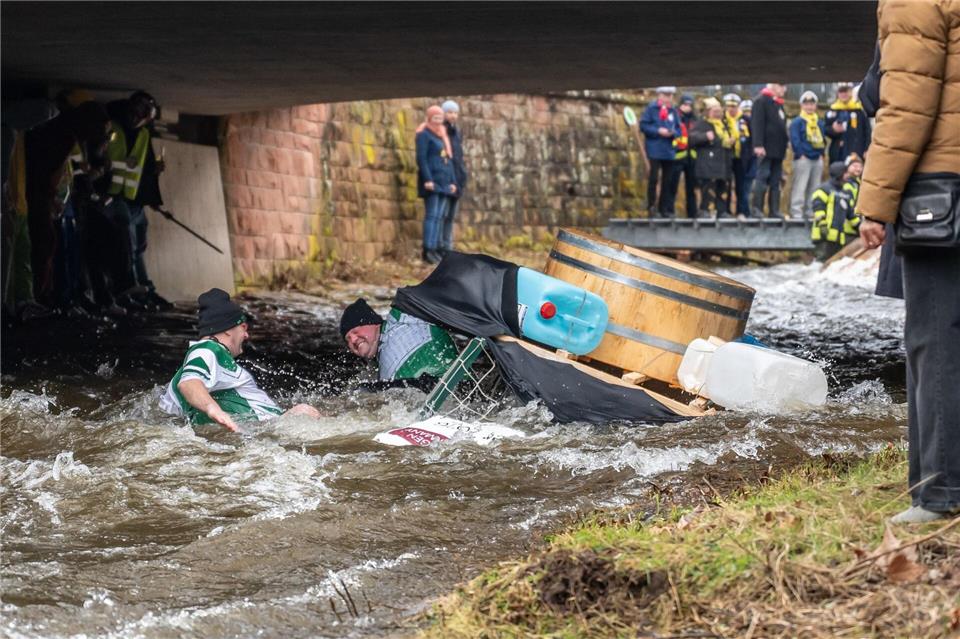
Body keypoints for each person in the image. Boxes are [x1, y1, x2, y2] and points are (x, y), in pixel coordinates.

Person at [857, 0, 959, 524]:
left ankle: (939, 493)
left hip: (940, 191)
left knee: (936, 339)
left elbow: (907, 107)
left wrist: (874, 203)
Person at [160, 288, 320, 430]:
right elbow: (189, 383)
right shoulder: (208, 349)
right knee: (305, 411)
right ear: (228, 330)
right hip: (267, 432)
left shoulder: (210, 356)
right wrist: (214, 410)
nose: (246, 335)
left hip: (257, 431)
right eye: (243, 327)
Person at [105, 91, 169, 309]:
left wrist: (153, 186)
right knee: (129, 244)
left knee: (139, 245)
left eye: (142, 116)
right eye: (135, 113)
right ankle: (132, 289)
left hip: (134, 200)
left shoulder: (143, 134)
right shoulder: (113, 127)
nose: (136, 119)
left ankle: (145, 289)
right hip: (114, 195)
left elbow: (145, 166)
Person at [340, 297, 458, 384]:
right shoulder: (375, 370)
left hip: (453, 384)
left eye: (355, 331)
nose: (353, 340)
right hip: (421, 398)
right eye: (348, 339)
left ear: (373, 323)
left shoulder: (401, 317)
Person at [416, 105, 457, 264]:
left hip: (444, 182)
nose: (438, 121)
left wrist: (452, 181)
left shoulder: (442, 136)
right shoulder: (424, 135)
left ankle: (435, 250)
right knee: (432, 216)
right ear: (429, 118)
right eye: (435, 118)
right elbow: (422, 158)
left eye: (440, 118)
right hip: (432, 183)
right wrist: (428, 179)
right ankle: (428, 249)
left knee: (440, 217)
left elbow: (448, 160)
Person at [639, 86, 682, 217]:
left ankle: (664, 209)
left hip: (668, 151)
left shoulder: (673, 111)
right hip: (654, 149)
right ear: (659, 95)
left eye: (670, 95)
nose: (668, 98)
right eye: (665, 95)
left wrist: (673, 133)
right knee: (653, 179)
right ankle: (652, 207)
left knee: (667, 180)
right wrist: (658, 131)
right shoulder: (651, 109)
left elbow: (679, 129)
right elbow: (644, 126)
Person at [689, 98, 734, 218]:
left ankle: (722, 211)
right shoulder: (702, 124)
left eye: (719, 111)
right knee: (708, 188)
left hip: (723, 163)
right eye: (715, 111)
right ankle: (705, 210)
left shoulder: (724, 125)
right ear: (708, 112)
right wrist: (705, 136)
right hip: (707, 164)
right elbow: (692, 139)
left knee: (722, 187)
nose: (718, 113)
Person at [749, 83, 789, 218]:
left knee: (775, 180)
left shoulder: (778, 103)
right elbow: (757, 124)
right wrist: (758, 144)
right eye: (781, 85)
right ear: (773, 86)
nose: (784, 89)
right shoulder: (761, 101)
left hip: (778, 149)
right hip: (765, 148)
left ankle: (774, 210)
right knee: (762, 176)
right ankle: (757, 209)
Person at [788, 91, 827, 219]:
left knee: (815, 187)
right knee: (800, 186)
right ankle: (796, 212)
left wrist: (822, 154)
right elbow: (795, 139)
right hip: (803, 158)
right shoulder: (797, 122)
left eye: (811, 104)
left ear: (815, 106)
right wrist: (800, 154)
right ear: (801, 106)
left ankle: (811, 211)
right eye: (806, 104)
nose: (809, 107)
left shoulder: (819, 122)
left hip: (817, 157)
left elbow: (823, 139)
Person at [810, 161, 859, 261]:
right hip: (823, 235)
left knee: (832, 265)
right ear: (839, 173)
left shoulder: (845, 192)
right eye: (845, 173)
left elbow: (851, 215)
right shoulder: (824, 189)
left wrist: (859, 227)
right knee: (820, 263)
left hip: (838, 238)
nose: (847, 175)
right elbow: (818, 208)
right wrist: (822, 224)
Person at [441, 100, 467, 256]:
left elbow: (458, 158)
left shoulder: (456, 132)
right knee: (442, 216)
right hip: (447, 180)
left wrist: (462, 178)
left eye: (455, 112)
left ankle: (448, 248)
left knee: (450, 217)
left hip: (457, 180)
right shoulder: (441, 132)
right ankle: (442, 248)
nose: (452, 115)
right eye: (449, 112)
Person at [825, 82, 873, 164]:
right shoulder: (832, 110)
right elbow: (826, 130)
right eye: (841, 92)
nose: (843, 94)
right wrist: (833, 129)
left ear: (851, 92)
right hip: (838, 152)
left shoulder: (859, 110)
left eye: (846, 91)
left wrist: (867, 149)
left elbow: (867, 131)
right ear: (838, 93)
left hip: (857, 150)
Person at [667, 94, 697, 217]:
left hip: (691, 158)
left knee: (691, 188)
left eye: (689, 105)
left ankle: (692, 213)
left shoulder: (695, 119)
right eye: (685, 105)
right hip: (677, 156)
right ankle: (669, 211)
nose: (687, 107)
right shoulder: (675, 117)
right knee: (672, 186)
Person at [721, 93, 743, 213]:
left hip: (740, 156)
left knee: (741, 185)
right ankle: (726, 210)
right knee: (726, 184)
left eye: (733, 106)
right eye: (729, 106)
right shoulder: (723, 119)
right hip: (726, 156)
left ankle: (741, 210)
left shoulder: (743, 119)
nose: (731, 109)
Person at [735, 99, 756, 216]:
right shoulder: (741, 123)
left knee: (748, 187)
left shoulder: (756, 124)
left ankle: (747, 211)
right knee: (742, 188)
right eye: (746, 112)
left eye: (750, 112)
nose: (748, 114)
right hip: (742, 159)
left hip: (752, 159)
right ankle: (743, 211)